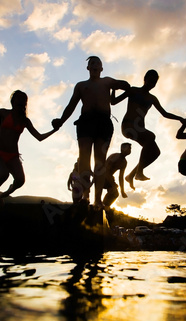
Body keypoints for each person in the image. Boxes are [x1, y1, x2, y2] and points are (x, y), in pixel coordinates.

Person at [52, 56, 130, 209]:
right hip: (86, 122)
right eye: (91, 63)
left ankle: (98, 199)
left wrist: (117, 85)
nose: (94, 66)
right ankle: (85, 195)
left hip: (104, 123)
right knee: (84, 157)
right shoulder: (81, 86)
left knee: (100, 162)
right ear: (88, 68)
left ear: (101, 68)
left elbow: (126, 85)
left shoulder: (107, 81)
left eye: (98, 64)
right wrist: (60, 120)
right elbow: (71, 105)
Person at [0, 90, 58, 205]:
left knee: (20, 181)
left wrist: (55, 130)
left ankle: (8, 191)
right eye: (18, 102)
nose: (21, 105)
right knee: (3, 174)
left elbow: (39, 137)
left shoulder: (25, 121)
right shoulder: (3, 113)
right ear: (13, 102)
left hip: (12, 156)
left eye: (23, 103)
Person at [111, 69, 186, 190]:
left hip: (140, 129)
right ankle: (139, 172)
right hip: (128, 126)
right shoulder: (133, 90)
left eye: (154, 82)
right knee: (151, 137)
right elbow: (113, 102)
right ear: (145, 79)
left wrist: (180, 119)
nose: (152, 84)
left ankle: (131, 176)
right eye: (150, 80)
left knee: (155, 152)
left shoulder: (152, 99)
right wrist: (113, 90)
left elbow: (165, 113)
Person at [101, 143, 131, 208]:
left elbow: (121, 177)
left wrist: (122, 191)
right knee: (113, 189)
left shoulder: (124, 162)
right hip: (101, 176)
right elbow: (106, 171)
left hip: (109, 178)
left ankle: (105, 206)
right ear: (123, 149)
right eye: (129, 148)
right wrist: (113, 184)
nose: (130, 150)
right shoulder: (115, 157)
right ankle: (102, 205)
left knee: (115, 194)